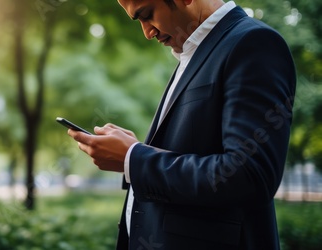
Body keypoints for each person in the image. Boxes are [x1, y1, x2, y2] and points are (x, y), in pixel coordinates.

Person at [67, 0, 296, 249]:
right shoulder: (192, 53)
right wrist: (132, 152)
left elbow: (250, 175)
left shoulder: (253, 44)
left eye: (147, 15)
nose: (147, 33)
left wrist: (134, 158)